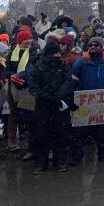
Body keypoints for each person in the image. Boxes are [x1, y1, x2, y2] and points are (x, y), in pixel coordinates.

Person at [70, 37, 104, 164]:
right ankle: (76, 156)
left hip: (102, 102)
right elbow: (73, 82)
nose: (93, 47)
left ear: (101, 47)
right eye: (90, 45)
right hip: (83, 101)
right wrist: (71, 97)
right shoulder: (81, 62)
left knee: (102, 130)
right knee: (79, 132)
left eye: (96, 45)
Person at [27, 41, 74, 174]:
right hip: (43, 105)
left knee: (60, 133)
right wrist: (46, 96)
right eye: (55, 52)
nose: (57, 55)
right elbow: (33, 85)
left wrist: (58, 95)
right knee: (42, 133)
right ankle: (42, 162)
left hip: (59, 104)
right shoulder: (38, 66)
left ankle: (59, 161)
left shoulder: (63, 65)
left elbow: (67, 81)